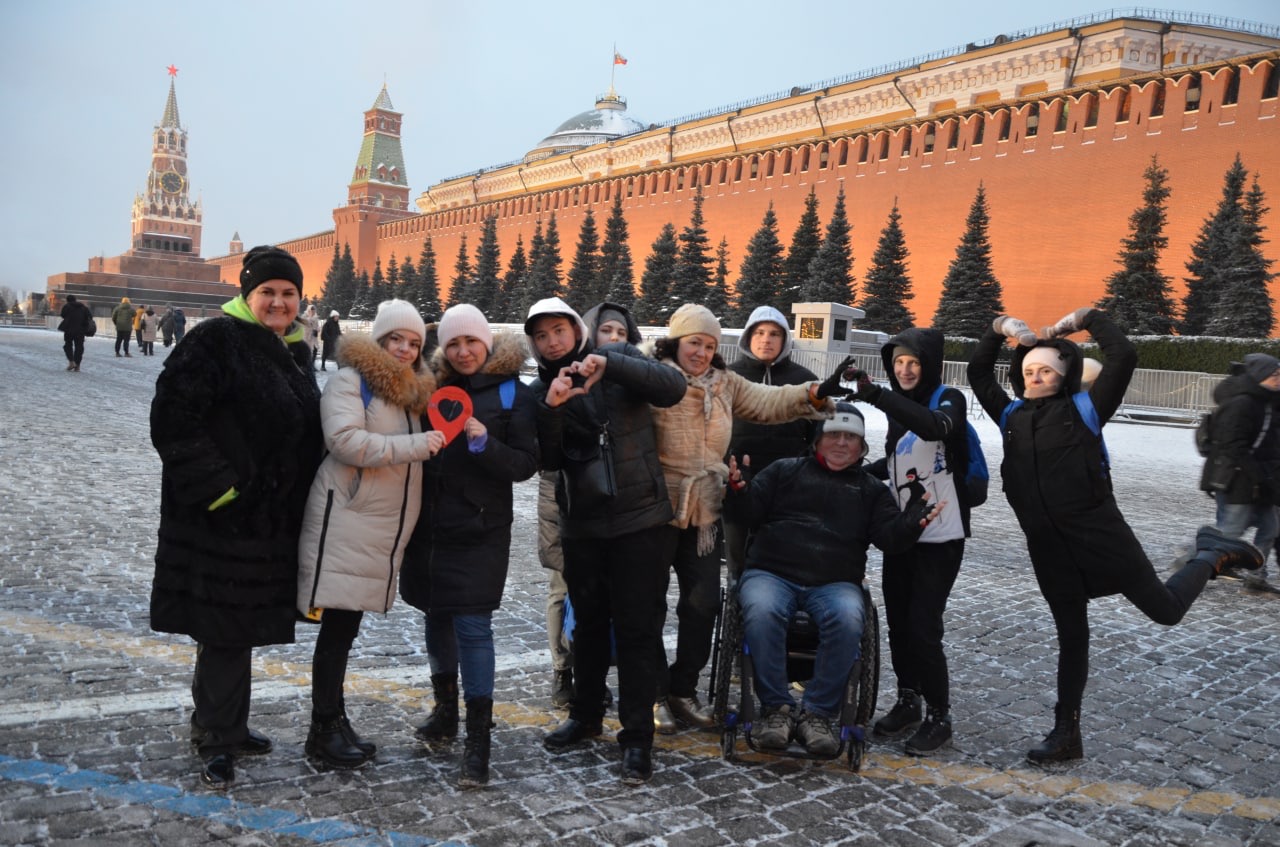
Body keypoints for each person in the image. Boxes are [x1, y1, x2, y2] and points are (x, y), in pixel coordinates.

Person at [967, 307, 1264, 763]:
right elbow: (977, 371)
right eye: (1030, 370)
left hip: (1100, 535)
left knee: (1164, 611)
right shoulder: (1010, 414)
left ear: (1064, 376)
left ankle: (1211, 555)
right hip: (1047, 547)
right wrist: (1000, 329)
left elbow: (1123, 354)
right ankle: (1066, 734)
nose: (1037, 377)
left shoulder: (1085, 409)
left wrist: (1084, 318)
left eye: (1047, 370)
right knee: (1072, 637)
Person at [150, 245, 323, 790]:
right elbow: (173, 417)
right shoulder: (216, 340)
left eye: (288, 293)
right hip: (220, 520)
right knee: (223, 627)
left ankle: (229, 723)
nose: (278, 301)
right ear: (247, 296)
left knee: (237, 626)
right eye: (267, 292)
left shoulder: (290, 349)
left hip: (265, 523)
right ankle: (217, 738)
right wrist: (220, 489)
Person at [646, 303, 845, 734]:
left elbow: (767, 400)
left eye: (710, 345)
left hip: (704, 511)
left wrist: (810, 395)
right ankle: (654, 692)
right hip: (655, 510)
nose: (701, 352)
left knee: (703, 605)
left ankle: (683, 689)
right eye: (694, 343)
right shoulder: (653, 378)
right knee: (647, 606)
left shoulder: (725, 383)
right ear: (676, 342)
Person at [526, 297, 686, 786]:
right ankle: (586, 713)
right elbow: (549, 459)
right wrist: (553, 408)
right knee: (589, 627)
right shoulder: (539, 390)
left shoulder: (619, 360)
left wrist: (609, 362)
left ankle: (637, 737)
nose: (553, 341)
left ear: (578, 329)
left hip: (641, 521)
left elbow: (673, 387)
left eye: (560, 330)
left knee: (639, 630)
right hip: (584, 526)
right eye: (542, 335)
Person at [724, 402, 941, 754]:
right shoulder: (784, 471)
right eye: (834, 434)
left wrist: (910, 524)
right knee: (762, 611)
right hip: (772, 572)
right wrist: (738, 491)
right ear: (817, 440)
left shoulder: (871, 490)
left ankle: (818, 714)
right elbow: (747, 513)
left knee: (847, 617)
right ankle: (776, 708)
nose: (842, 443)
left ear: (861, 447)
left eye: (851, 438)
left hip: (835, 581)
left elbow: (889, 539)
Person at [296, 299, 444, 771]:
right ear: (378, 340)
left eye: (414, 343)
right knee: (337, 631)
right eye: (395, 340)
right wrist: (417, 446)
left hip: (377, 527)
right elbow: (346, 442)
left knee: (346, 629)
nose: (404, 349)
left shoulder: (412, 393)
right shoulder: (350, 381)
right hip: (348, 519)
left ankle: (335, 722)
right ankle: (323, 729)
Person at [400, 303, 538, 788]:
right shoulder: (429, 387)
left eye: (471, 342)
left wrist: (484, 444)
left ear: (487, 343)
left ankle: (479, 738)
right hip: (429, 528)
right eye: (453, 343)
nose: (462, 352)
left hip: (481, 531)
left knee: (474, 627)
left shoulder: (510, 393)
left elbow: (526, 464)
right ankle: (445, 711)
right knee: (435, 615)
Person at [848, 328, 972, 755]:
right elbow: (899, 460)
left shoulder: (950, 399)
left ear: (929, 365)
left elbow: (937, 428)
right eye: (898, 363)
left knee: (923, 626)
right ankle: (908, 700)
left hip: (943, 532)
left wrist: (879, 396)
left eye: (913, 363)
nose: (904, 370)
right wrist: (857, 472)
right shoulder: (899, 410)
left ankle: (940, 716)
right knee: (899, 622)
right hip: (905, 529)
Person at [724, 306, 819, 580]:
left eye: (775, 334)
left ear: (785, 340)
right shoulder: (727, 377)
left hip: (788, 484)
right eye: (760, 333)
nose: (766, 340)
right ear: (748, 337)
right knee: (738, 557)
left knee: (783, 557)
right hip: (737, 481)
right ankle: (736, 608)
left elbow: (818, 433)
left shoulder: (804, 380)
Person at [1199, 353, 1280, 590]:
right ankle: (1192, 562)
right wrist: (1260, 476)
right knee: (1229, 532)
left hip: (1264, 478)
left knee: (1270, 528)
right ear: (1258, 376)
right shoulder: (1242, 404)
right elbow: (1232, 447)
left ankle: (1256, 577)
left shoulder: (1269, 402)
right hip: (1237, 479)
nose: (1278, 378)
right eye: (1273, 374)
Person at [58, 294, 94, 372]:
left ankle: (71, 362)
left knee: (68, 345)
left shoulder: (66, 306)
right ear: (75, 299)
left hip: (69, 330)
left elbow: (63, 315)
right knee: (79, 347)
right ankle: (77, 365)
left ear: (67, 300)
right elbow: (90, 317)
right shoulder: (84, 307)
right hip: (80, 331)